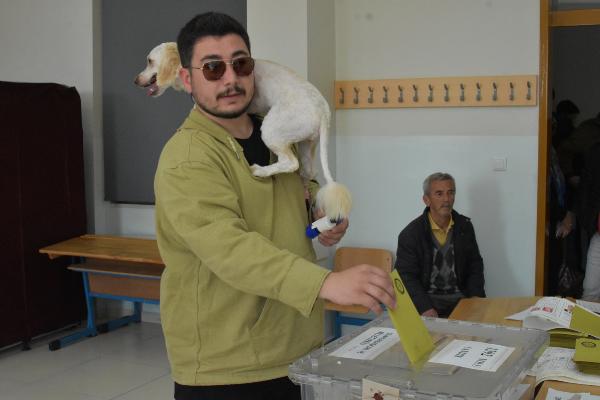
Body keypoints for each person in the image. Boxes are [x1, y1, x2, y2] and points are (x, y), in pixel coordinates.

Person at [153, 12, 395, 400]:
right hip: (227, 365)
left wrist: (319, 218)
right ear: (187, 79)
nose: (231, 79)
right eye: (212, 68)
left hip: (289, 344)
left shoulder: (274, 133)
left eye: (241, 63)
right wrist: (327, 282)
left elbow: (297, 198)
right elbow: (231, 250)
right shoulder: (188, 157)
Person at [394, 172, 485, 318]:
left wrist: (475, 298)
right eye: (439, 194)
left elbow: (475, 265)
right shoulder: (411, 234)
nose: (447, 200)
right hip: (427, 302)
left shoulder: (464, 227)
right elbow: (406, 276)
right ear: (426, 200)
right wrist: (424, 308)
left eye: (451, 193)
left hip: (461, 300)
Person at [581, 141, 600, 301]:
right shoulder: (596, 150)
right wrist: (588, 222)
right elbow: (587, 187)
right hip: (598, 235)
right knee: (590, 293)